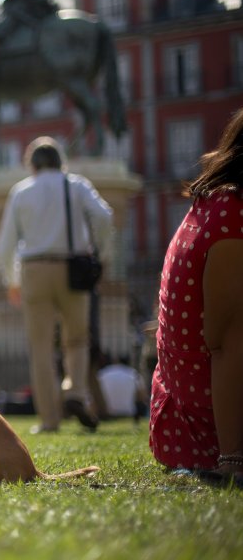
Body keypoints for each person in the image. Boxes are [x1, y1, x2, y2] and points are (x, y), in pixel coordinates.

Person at [150, 108, 243, 484]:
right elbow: (227, 344)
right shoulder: (231, 219)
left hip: (190, 418)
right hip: (208, 431)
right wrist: (233, 458)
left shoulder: (215, 207)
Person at [0, 136, 113, 433]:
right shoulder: (77, 185)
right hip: (74, 266)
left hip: (34, 270)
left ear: (32, 164)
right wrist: (101, 252)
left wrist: (11, 280)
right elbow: (103, 216)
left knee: (41, 349)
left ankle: (49, 420)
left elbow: (5, 244)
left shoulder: (21, 192)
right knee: (77, 340)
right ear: (60, 161)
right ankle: (74, 392)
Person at [97, 357, 147, 421]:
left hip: (106, 413)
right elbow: (142, 397)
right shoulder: (133, 374)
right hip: (129, 413)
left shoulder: (101, 374)